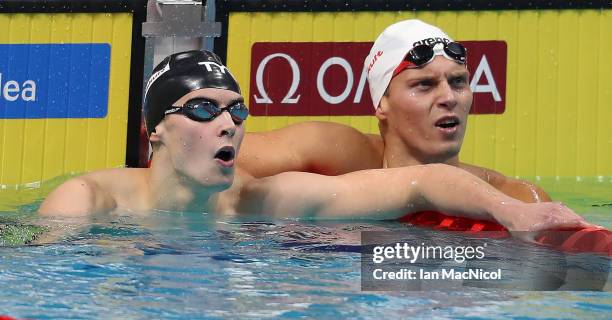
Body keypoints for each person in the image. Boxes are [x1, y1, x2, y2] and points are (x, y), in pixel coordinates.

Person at [39, 50, 587, 238]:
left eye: (236, 110)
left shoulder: (260, 202)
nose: (227, 124)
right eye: (204, 109)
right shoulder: (90, 201)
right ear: (153, 131)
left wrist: (512, 213)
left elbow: (421, 182)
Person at [237, 19, 550, 203]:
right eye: (425, 85)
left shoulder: (515, 198)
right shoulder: (333, 153)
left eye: (458, 81)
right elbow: (205, 163)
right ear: (381, 103)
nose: (449, 97)